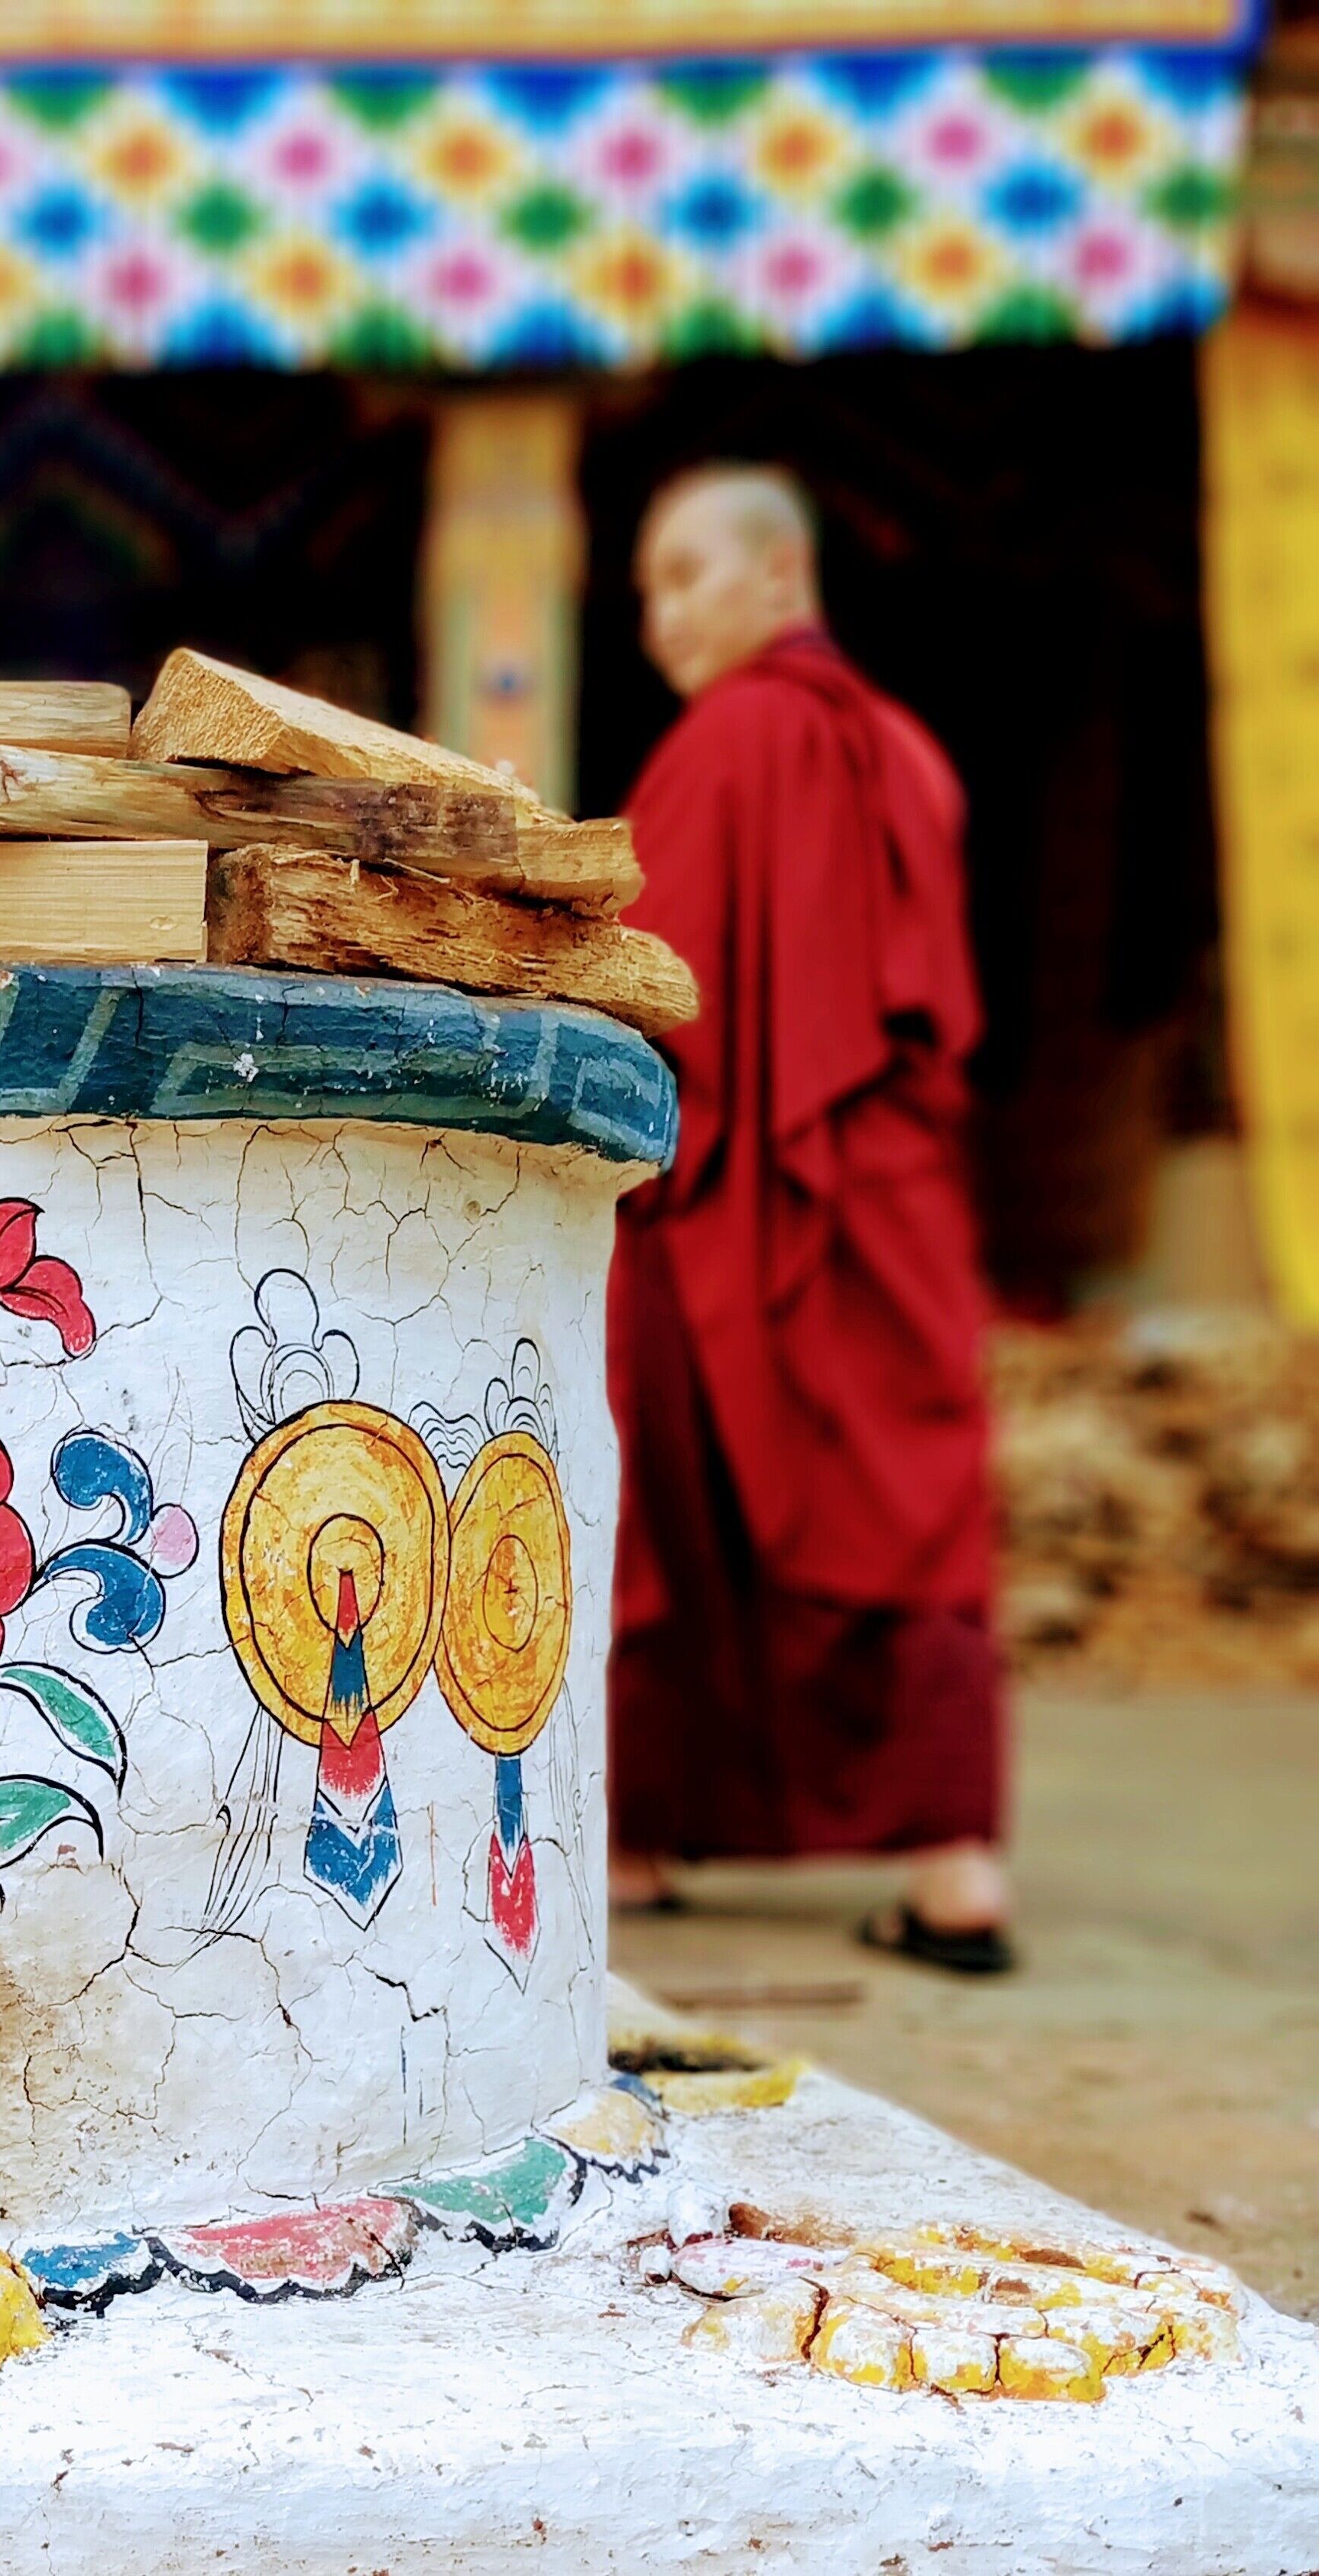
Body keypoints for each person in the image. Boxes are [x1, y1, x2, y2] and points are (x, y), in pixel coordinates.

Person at [605, 462, 1014, 1974]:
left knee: (673, 1470)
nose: (663, 620)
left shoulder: (729, 741)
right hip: (887, 1189)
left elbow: (657, 983)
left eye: (688, 575)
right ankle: (958, 1863)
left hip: (732, 1183)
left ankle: (638, 1841)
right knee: (899, 1478)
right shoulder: (906, 750)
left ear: (782, 579)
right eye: (648, 586)